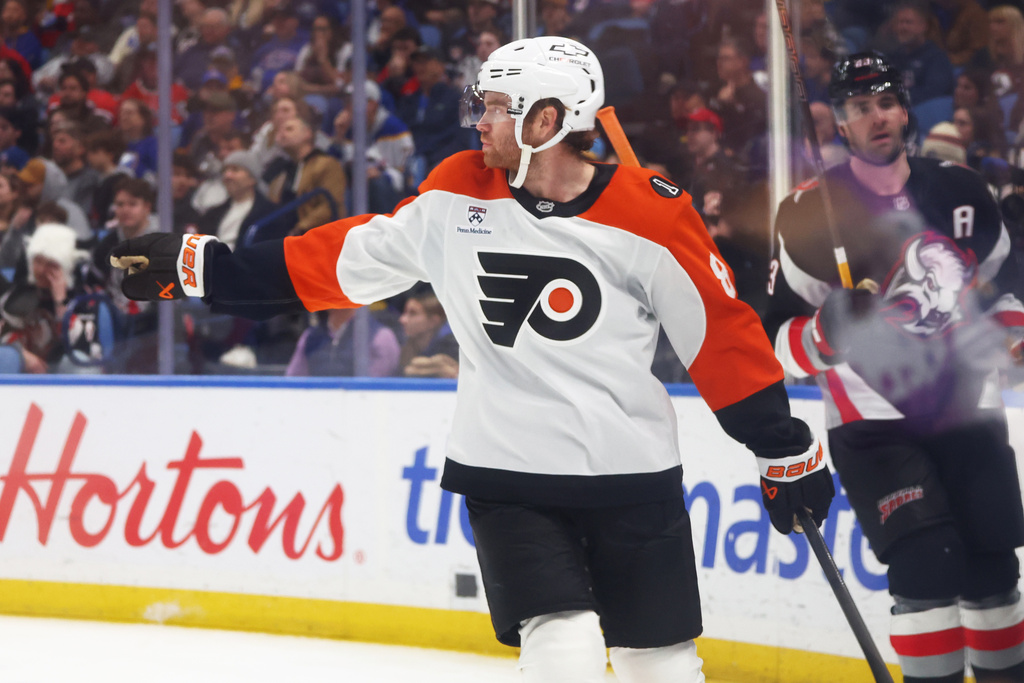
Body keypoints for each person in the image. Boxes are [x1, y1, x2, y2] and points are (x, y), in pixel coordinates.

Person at [108, 36, 834, 683]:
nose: (478, 121)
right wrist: (212, 270)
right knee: (565, 647)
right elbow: (348, 259)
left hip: (631, 474)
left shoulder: (650, 212)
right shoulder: (458, 191)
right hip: (510, 475)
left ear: (545, 120)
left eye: (492, 107)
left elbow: (719, 333)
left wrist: (781, 447)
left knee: (663, 662)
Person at [764, 52, 1024, 683]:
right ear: (841, 125)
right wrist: (829, 331)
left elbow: (1004, 290)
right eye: (858, 108)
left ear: (903, 108)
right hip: (875, 424)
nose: (876, 117)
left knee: (993, 571)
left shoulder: (961, 189)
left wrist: (1012, 337)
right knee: (927, 567)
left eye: (884, 102)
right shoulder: (807, 211)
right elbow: (777, 344)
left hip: (968, 410)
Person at [397, 286, 458, 378]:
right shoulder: (407, 345)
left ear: (433, 321)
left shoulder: (454, 347)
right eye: (404, 312)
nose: (402, 319)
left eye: (413, 313)